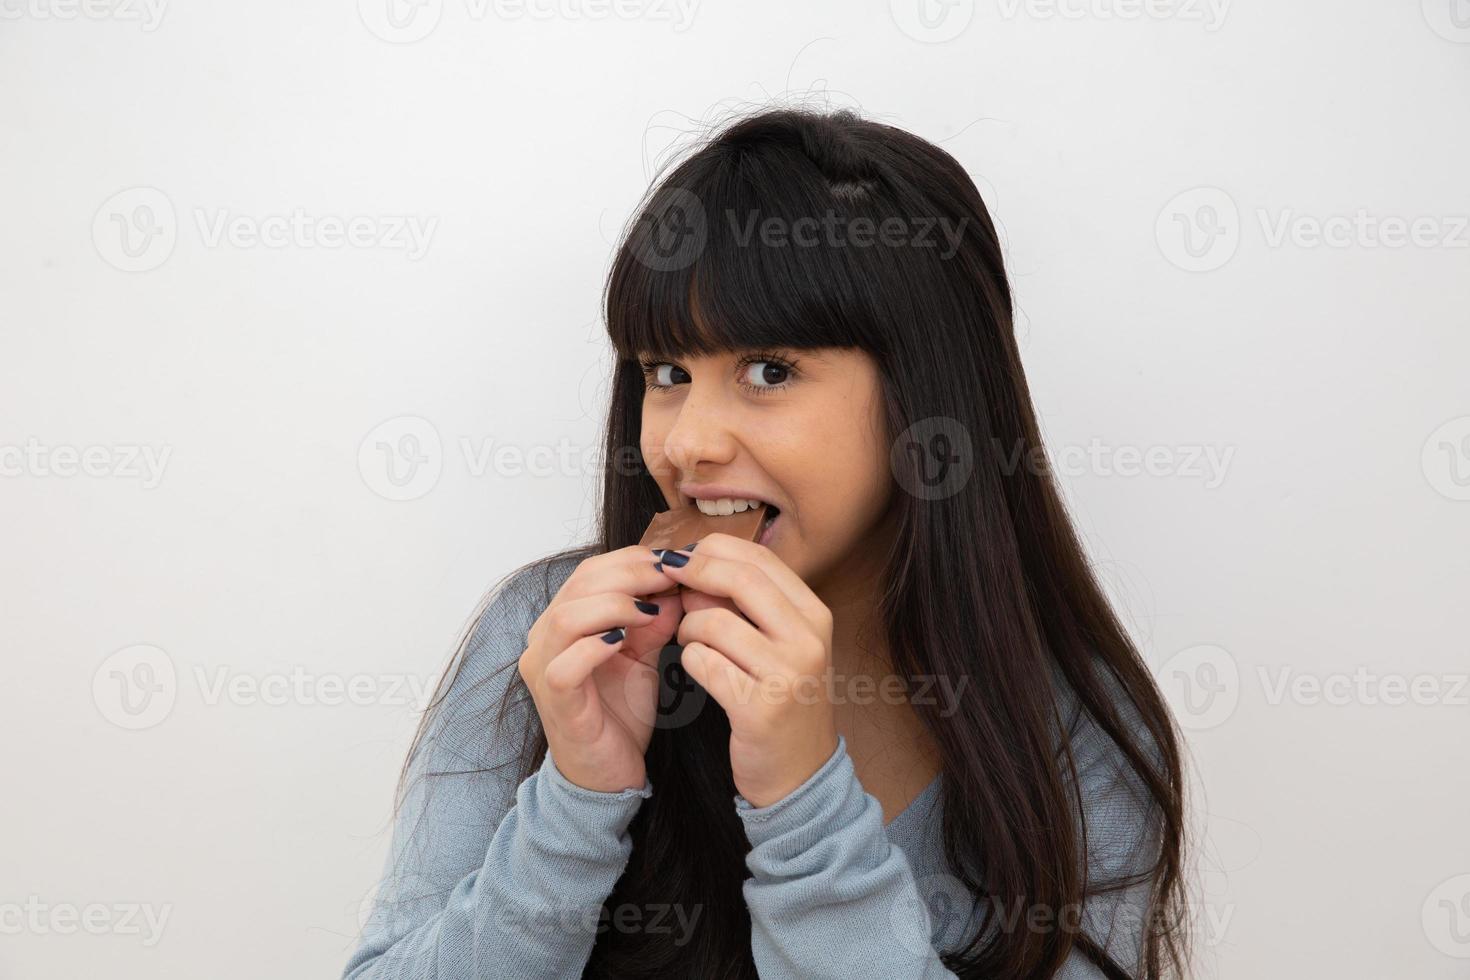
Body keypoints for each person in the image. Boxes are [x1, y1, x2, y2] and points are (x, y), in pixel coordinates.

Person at [344, 105, 1190, 979]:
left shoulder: (1075, 732)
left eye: (769, 372)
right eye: (666, 374)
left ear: (927, 391)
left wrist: (802, 801)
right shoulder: (552, 641)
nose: (687, 443)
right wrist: (577, 801)